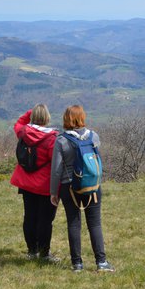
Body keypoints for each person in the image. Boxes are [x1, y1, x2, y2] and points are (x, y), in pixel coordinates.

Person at [50, 105, 114, 273]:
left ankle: (77, 264)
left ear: (66, 119)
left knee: (73, 223)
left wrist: (53, 192)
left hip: (69, 186)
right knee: (95, 224)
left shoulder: (61, 140)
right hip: (92, 186)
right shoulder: (94, 136)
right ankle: (101, 262)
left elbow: (56, 169)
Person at [10, 104, 58, 261]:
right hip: (44, 186)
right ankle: (44, 253)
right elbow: (55, 163)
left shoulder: (23, 133)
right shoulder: (52, 138)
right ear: (47, 118)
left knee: (30, 216)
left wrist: (31, 112)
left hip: (26, 184)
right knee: (45, 220)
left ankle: (32, 250)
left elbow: (18, 123)